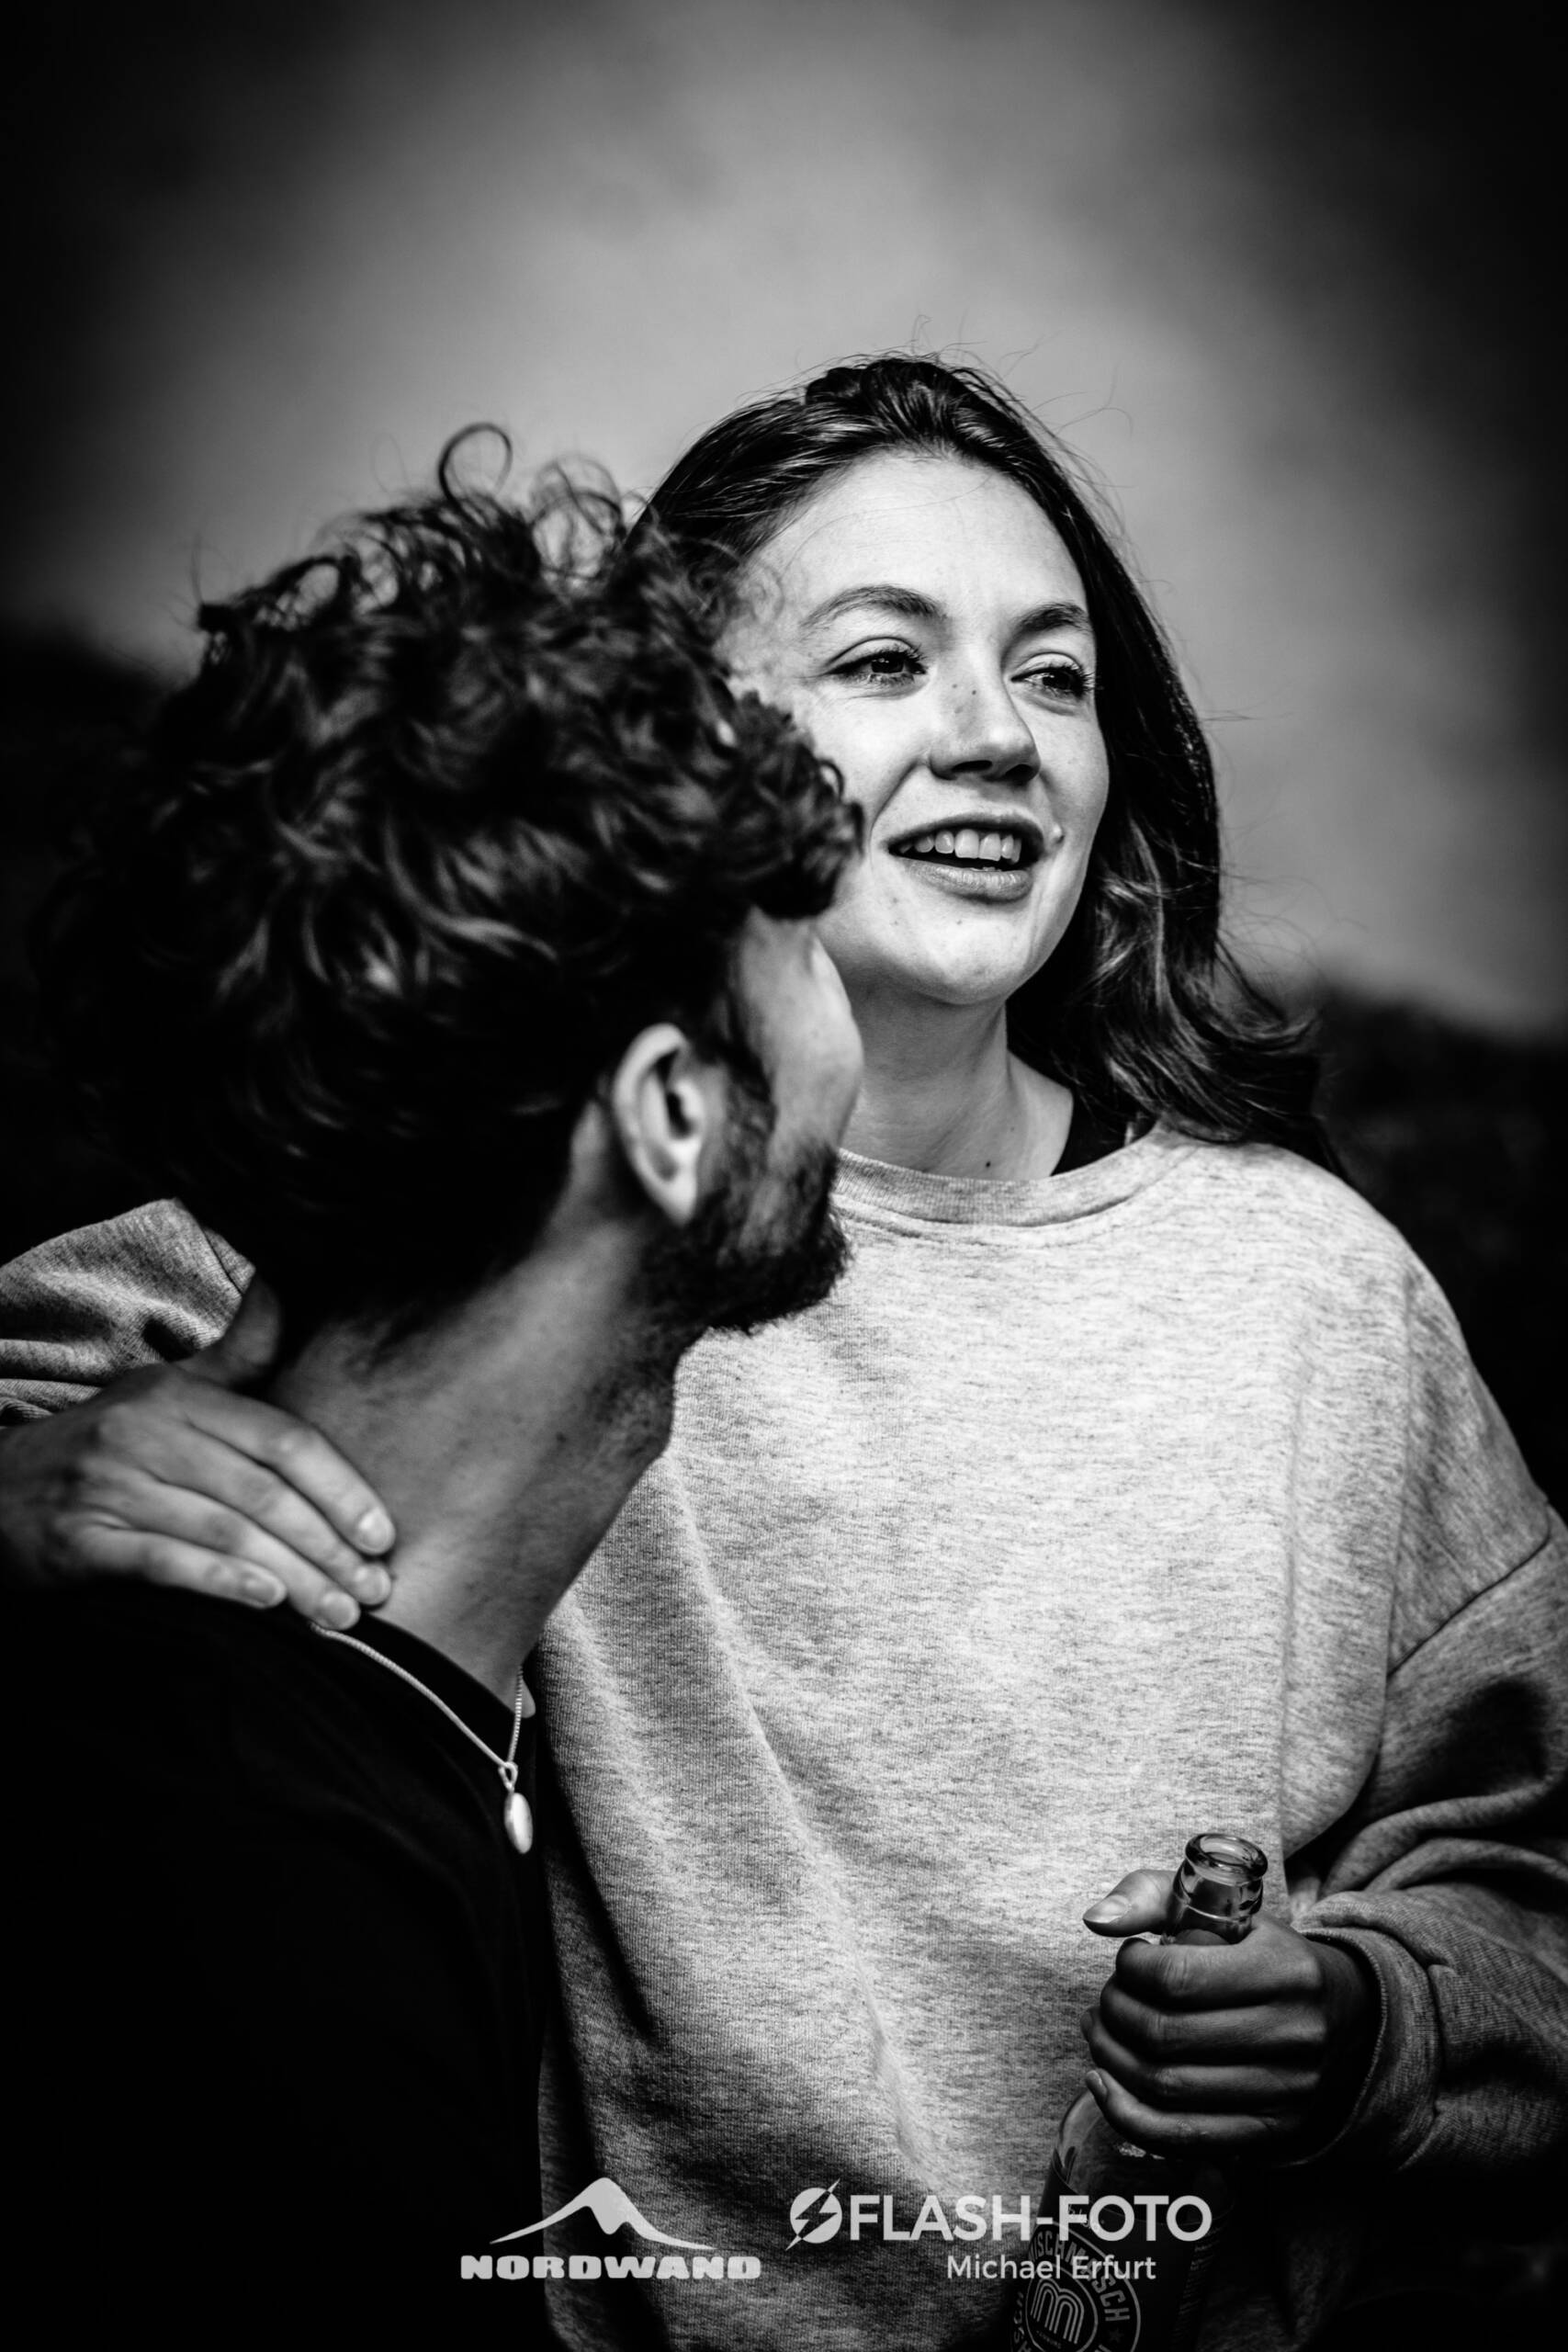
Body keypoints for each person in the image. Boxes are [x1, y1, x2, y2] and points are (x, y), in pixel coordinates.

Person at [1, 358, 1564, 2350]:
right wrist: (14, 1486)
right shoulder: (538, 1187)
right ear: (683, 752)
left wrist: (1367, 2017)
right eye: (884, 660)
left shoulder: (1317, 1297)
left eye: (1057, 674)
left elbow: (1525, 1876)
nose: (996, 735)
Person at [0, 449, 863, 2326]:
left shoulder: (295, 1743)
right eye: (804, 946)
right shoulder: (263, 1918)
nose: (848, 1026)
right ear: (670, 1114)